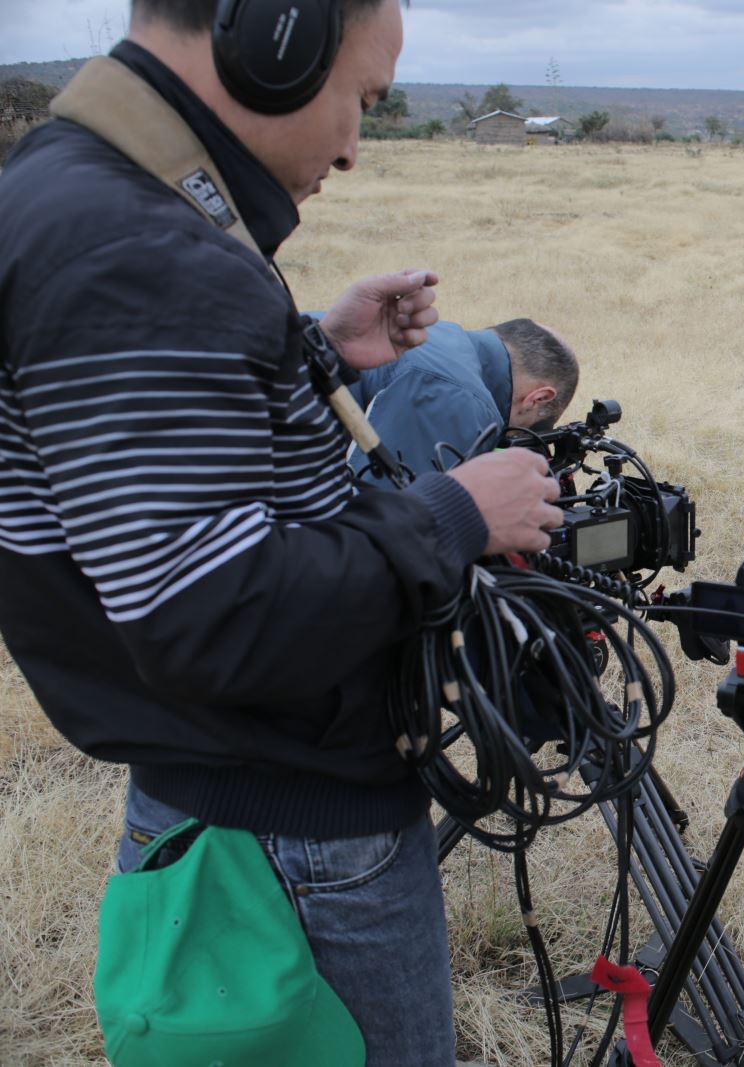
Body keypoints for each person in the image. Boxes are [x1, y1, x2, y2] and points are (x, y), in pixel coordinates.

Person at [0, 1, 561, 1062]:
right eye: (361, 98)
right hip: (290, 838)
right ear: (277, 37)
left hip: (224, 803)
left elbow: (162, 469)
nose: (352, 145)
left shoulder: (91, 192)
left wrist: (317, 351)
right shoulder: (134, 247)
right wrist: (456, 514)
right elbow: (212, 615)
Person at [345, 316, 579, 483]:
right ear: (538, 398)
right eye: (535, 428)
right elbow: (389, 515)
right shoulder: (460, 396)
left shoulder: (440, 335)